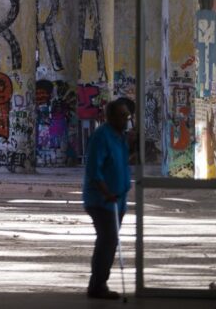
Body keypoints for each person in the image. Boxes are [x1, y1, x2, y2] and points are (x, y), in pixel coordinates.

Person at [83, 99, 132, 300]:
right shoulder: (101, 136)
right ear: (111, 116)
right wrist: (107, 193)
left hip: (117, 201)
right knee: (108, 240)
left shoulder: (120, 137)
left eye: (127, 116)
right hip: (102, 201)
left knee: (109, 241)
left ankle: (98, 283)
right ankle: (97, 285)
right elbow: (95, 171)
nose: (126, 120)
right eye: (122, 115)